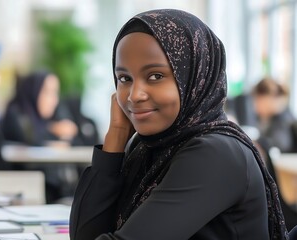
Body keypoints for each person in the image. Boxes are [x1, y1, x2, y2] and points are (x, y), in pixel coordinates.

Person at [69, 9, 288, 239]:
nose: (134, 95)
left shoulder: (216, 154)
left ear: (194, 78)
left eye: (155, 76)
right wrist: (116, 135)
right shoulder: (148, 146)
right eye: (125, 78)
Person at [1, 70, 80, 203]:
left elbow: (72, 138)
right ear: (34, 91)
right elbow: (29, 139)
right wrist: (52, 130)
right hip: (27, 192)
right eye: (47, 92)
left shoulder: (46, 121)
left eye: (56, 93)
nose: (54, 100)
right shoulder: (16, 114)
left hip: (50, 191)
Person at [252, 77, 296, 153]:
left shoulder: (283, 117)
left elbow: (280, 144)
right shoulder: (270, 117)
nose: (255, 105)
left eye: (257, 100)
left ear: (267, 98)